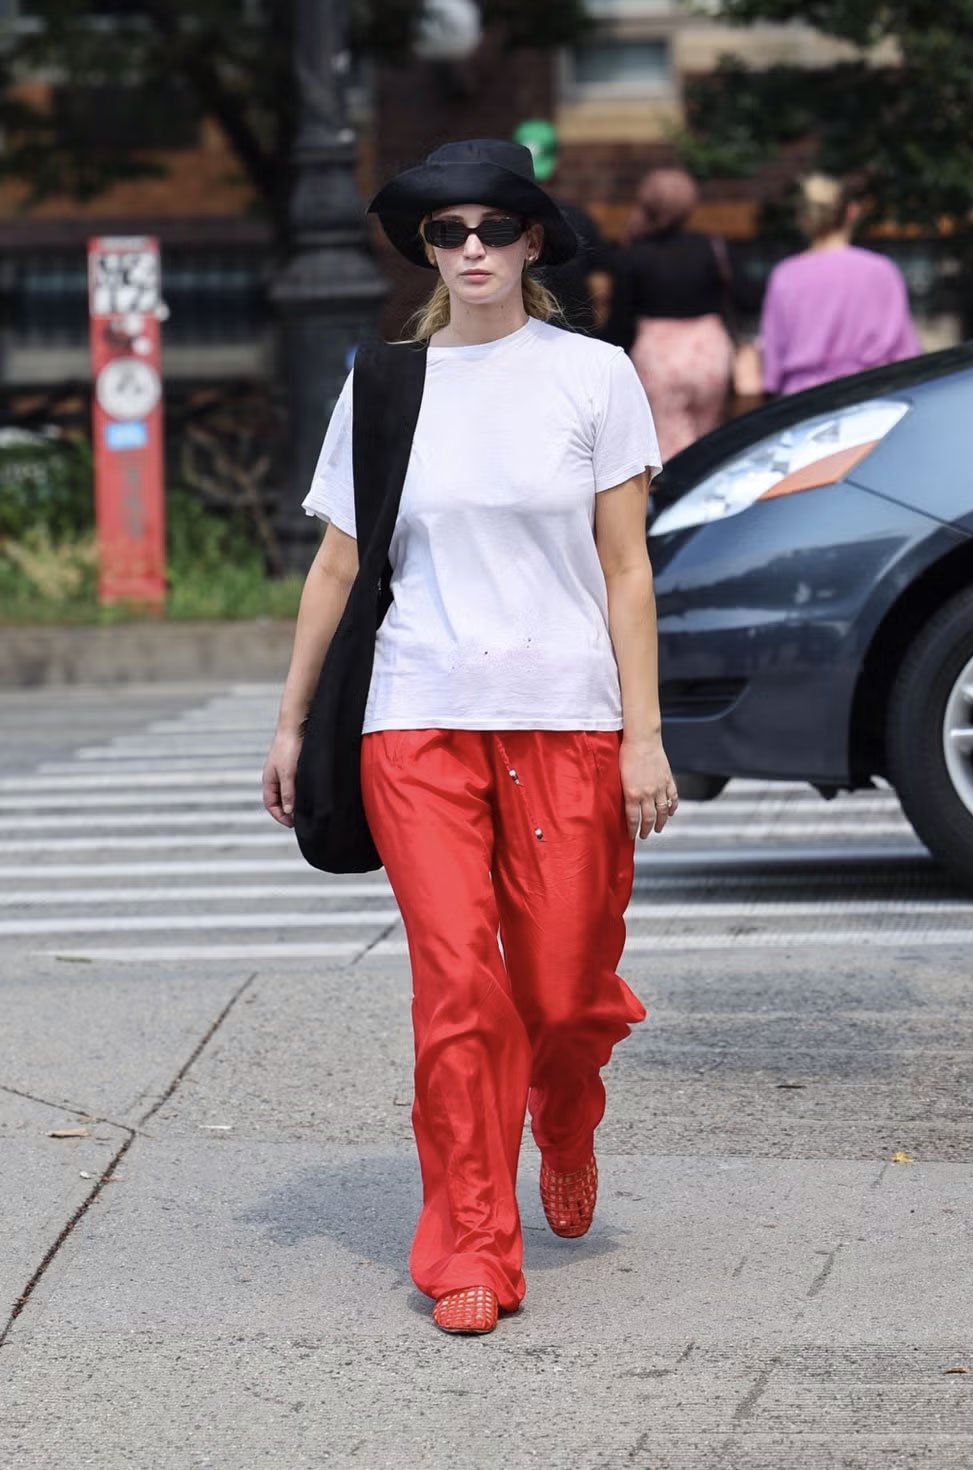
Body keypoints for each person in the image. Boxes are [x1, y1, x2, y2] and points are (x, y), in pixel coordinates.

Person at [262, 138, 677, 1337]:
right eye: (448, 233)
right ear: (427, 252)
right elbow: (338, 564)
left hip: (565, 719)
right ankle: (471, 1244)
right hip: (417, 720)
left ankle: (568, 1099)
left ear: (532, 240)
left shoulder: (593, 377)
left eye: (495, 228)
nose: (474, 250)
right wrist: (291, 726)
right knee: (457, 988)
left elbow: (623, 569)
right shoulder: (386, 384)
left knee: (555, 986)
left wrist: (642, 738)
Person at [604, 167, 743, 461]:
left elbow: (621, 321)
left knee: (669, 446)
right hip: (710, 352)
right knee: (710, 440)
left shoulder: (633, 254)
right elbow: (738, 297)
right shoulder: (711, 247)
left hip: (660, 358)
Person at [760, 174, 921, 396]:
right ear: (852, 212)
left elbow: (773, 363)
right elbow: (905, 353)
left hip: (803, 401)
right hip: (871, 393)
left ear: (803, 218)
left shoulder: (785, 275)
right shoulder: (880, 270)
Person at [512, 118, 615, 334]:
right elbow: (601, 286)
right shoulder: (579, 219)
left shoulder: (498, 221)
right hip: (573, 333)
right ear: (556, 163)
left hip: (515, 334)